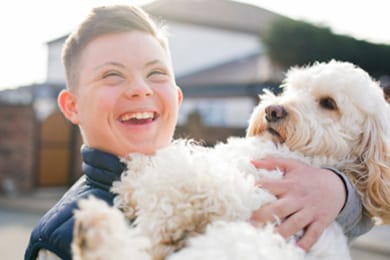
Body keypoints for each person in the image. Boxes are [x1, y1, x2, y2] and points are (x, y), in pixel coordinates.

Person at [24, 4, 371, 260]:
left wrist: (336, 189)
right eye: (112, 75)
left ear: (176, 97)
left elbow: (355, 218)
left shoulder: (217, 166)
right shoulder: (63, 236)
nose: (140, 89)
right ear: (72, 106)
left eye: (156, 73)